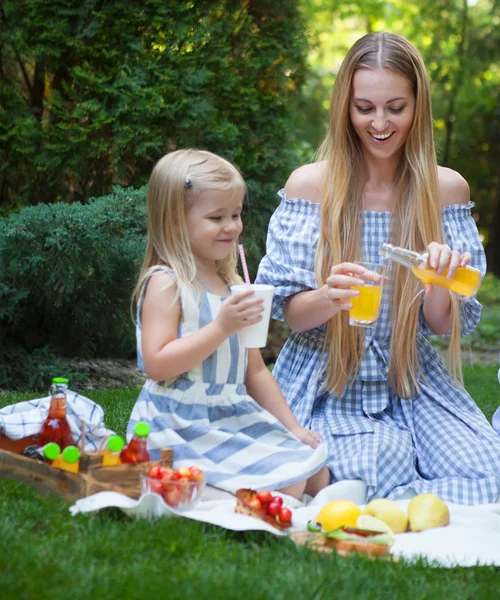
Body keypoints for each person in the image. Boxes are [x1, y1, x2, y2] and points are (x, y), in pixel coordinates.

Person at [256, 32, 500, 504]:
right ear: (345, 108)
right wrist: (328, 296)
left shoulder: (445, 190)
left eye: (396, 107)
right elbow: (287, 311)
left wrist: (437, 285)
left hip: (412, 378)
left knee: (489, 472)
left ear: (418, 107)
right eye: (364, 108)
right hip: (329, 377)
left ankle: (372, 489)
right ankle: (384, 479)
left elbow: (443, 324)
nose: (380, 123)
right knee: (376, 458)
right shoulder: (311, 187)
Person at [127, 148, 329, 499]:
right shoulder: (166, 283)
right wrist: (221, 327)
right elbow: (157, 365)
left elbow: (255, 372)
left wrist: (292, 427)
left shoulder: (233, 285)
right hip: (180, 426)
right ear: (175, 221)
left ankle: (237, 489)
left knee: (317, 472)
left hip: (230, 415)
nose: (232, 226)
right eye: (216, 217)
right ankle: (209, 489)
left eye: (235, 214)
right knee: (290, 485)